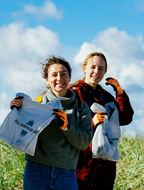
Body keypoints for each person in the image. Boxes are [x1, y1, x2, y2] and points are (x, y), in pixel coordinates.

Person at [10, 56, 93, 189]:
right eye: (54, 75)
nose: (59, 78)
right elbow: (19, 136)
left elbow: (83, 143)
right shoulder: (36, 104)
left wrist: (67, 127)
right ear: (47, 80)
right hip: (36, 171)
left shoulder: (81, 107)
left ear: (70, 77)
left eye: (63, 74)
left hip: (66, 174)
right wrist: (17, 111)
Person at [69, 52, 134, 189]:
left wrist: (120, 92)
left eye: (101, 68)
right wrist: (92, 122)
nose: (96, 72)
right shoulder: (74, 93)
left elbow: (124, 118)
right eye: (93, 67)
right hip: (81, 165)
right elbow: (65, 125)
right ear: (84, 68)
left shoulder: (105, 96)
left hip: (104, 166)